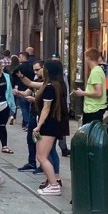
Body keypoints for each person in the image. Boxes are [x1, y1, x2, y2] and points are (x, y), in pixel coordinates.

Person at [33, 60, 69, 196]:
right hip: (54, 123)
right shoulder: (59, 85)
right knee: (44, 154)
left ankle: (54, 184)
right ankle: (52, 183)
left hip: (49, 124)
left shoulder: (49, 87)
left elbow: (46, 108)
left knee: (41, 156)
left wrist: (39, 125)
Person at [74, 47, 107, 124]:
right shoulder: (97, 70)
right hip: (93, 108)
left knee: (91, 134)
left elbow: (99, 93)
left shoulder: (96, 72)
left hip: (93, 109)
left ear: (88, 58)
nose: (85, 59)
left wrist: (83, 93)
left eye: (85, 57)